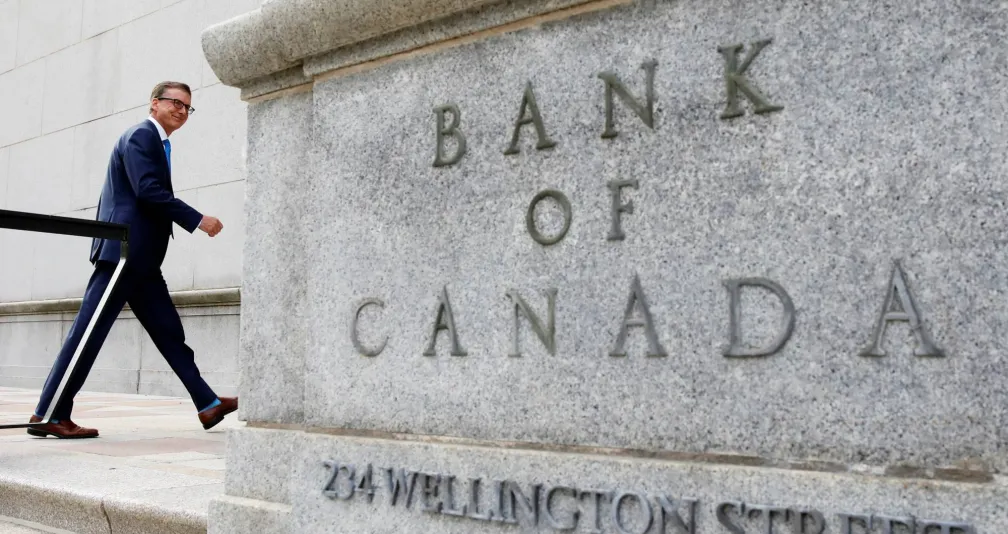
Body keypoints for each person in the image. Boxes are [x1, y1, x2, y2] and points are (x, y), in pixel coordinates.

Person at [27, 81, 237, 438]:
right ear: (154, 103)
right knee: (88, 333)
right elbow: (148, 190)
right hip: (123, 255)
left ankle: (207, 403)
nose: (181, 110)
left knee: (169, 333)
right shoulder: (142, 135)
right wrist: (197, 219)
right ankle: (49, 414)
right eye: (175, 102)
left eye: (187, 107)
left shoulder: (156, 141)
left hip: (142, 260)